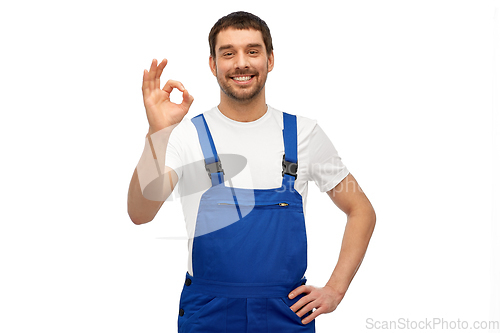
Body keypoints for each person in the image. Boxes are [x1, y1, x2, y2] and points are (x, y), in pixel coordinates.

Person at [127, 11, 376, 333]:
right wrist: (156, 132)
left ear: (270, 60)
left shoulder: (304, 133)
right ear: (213, 64)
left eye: (252, 51)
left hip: (286, 311)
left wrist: (336, 289)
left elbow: (361, 210)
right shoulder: (184, 135)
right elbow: (139, 212)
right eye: (228, 53)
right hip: (208, 312)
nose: (241, 63)